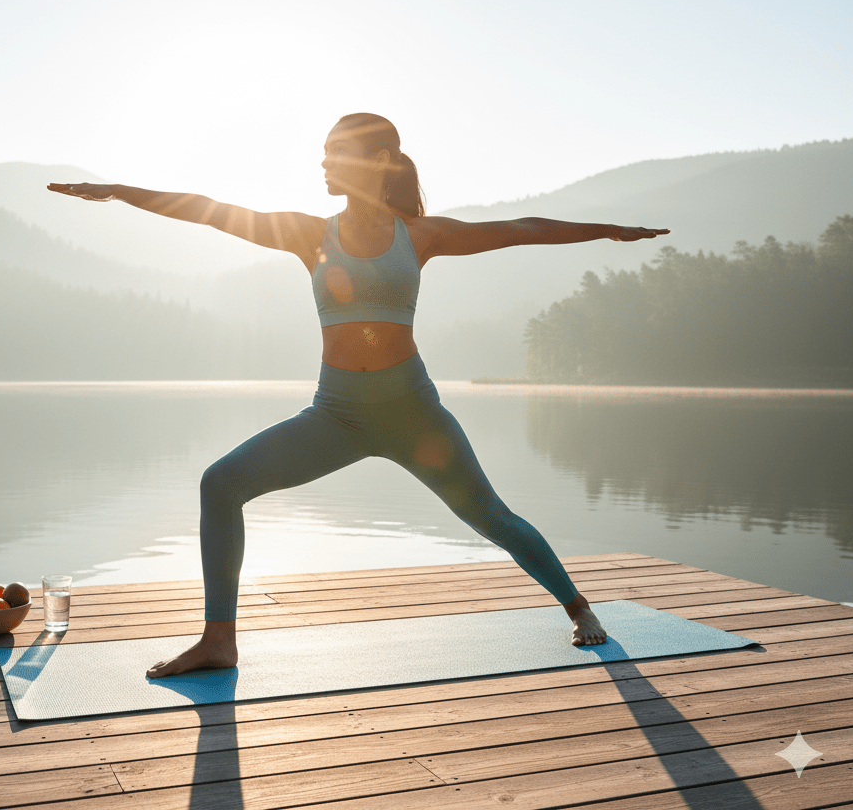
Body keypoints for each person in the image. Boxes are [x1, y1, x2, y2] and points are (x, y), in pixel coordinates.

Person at [49, 112, 669, 676]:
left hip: (412, 414)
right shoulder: (305, 233)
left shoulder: (420, 235)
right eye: (320, 153)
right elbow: (205, 207)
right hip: (336, 415)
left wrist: (609, 230)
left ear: (376, 161)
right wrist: (119, 192)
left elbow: (522, 229)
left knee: (493, 519)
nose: (321, 164)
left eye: (334, 153)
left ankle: (580, 609)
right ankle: (219, 641)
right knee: (221, 484)